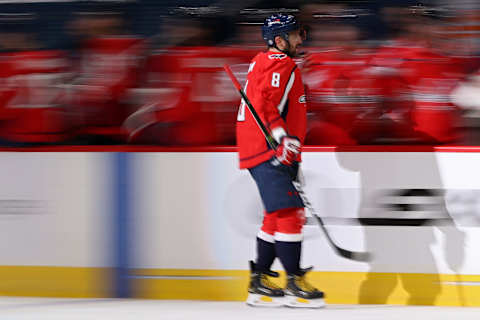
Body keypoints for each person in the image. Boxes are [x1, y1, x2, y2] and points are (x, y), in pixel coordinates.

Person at [237, 13, 325, 308]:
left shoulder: (272, 62)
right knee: (290, 213)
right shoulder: (281, 64)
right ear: (279, 40)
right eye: (296, 34)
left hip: (263, 149)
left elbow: (271, 95)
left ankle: (259, 281)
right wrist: (282, 138)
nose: (301, 39)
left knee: (276, 213)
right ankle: (294, 284)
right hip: (269, 149)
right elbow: (265, 102)